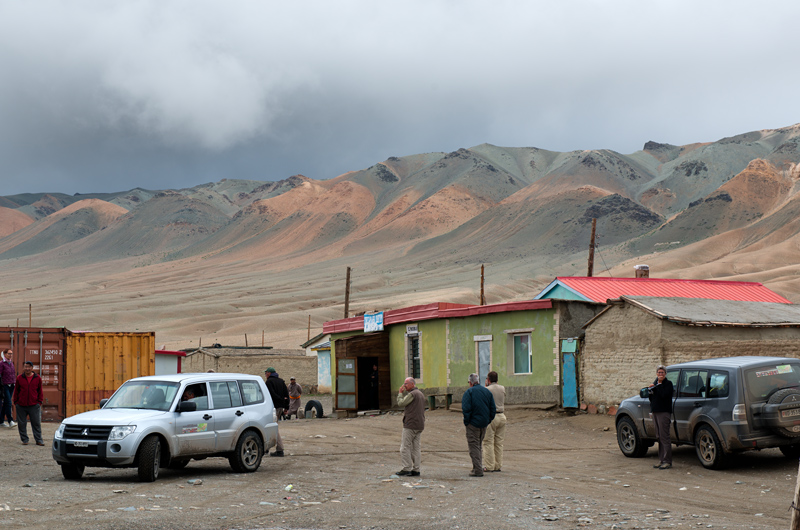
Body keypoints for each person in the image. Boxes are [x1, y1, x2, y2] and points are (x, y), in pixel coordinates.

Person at [461, 372, 495, 477]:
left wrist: (467, 422)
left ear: (470, 383)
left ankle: (478, 470)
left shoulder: (469, 392)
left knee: (474, 447)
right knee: (478, 445)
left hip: (473, 424)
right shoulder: (487, 392)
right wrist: (488, 420)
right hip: (484, 423)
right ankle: (476, 467)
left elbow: (466, 409)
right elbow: (492, 409)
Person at [396, 377, 425, 477]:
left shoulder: (412, 394)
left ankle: (406, 468)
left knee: (404, 447)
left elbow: (401, 403)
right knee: (416, 448)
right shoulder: (420, 394)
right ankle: (416, 469)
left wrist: (400, 393)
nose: (404, 385)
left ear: (412, 384)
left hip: (411, 424)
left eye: (406, 384)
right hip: (419, 424)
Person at [648, 365, 674, 470]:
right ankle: (661, 460)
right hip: (655, 412)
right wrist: (650, 389)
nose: (660, 374)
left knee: (664, 437)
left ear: (665, 374)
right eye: (659, 372)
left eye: (662, 373)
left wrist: (658, 386)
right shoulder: (655, 384)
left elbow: (664, 395)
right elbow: (652, 398)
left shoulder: (668, 384)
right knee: (659, 436)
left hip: (664, 412)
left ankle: (667, 461)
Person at [12, 361, 44, 446]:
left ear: (32, 368)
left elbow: (40, 391)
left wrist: (39, 402)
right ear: (24, 368)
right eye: (26, 367)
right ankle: (24, 439)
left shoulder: (37, 378)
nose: (27, 369)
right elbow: (16, 391)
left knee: (36, 423)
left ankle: (39, 440)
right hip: (21, 405)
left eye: (29, 367)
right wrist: (16, 402)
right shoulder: (19, 378)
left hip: (34, 405)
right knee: (21, 424)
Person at [483, 371, 506, 472]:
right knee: (499, 442)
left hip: (491, 417)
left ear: (488, 379)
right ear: (497, 379)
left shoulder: (487, 389)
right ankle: (498, 465)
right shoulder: (502, 388)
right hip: (502, 415)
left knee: (488, 442)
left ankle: (489, 465)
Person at [265, 367, 289, 457]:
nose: (265, 375)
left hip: (273, 408)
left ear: (269, 373)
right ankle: (267, 448)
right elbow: (287, 395)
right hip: (280, 407)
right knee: (272, 426)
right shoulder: (281, 381)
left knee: (272, 427)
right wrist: (286, 406)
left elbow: (271, 394)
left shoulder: (269, 382)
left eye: (266, 373)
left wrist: (280, 400)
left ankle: (279, 449)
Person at [0, 350, 16, 427]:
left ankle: (1, 421)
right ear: (5, 354)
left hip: (12, 385)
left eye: (11, 354)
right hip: (5, 386)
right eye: (9, 353)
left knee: (6, 403)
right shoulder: (2, 363)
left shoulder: (11, 363)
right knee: (8, 403)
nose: (10, 355)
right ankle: (10, 420)